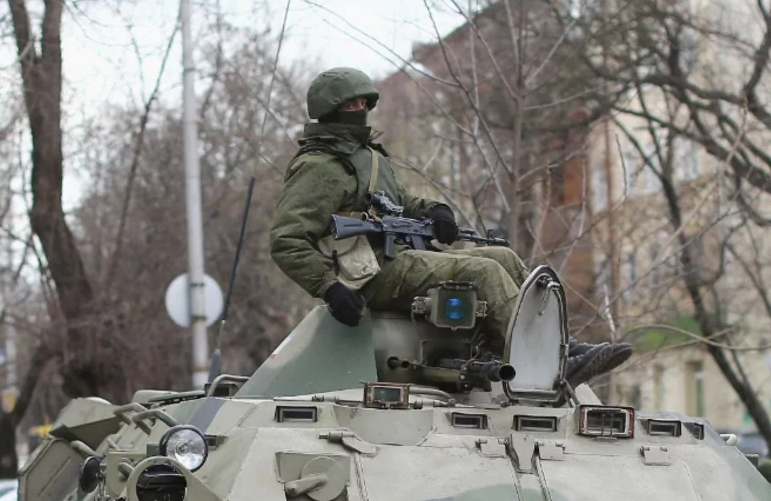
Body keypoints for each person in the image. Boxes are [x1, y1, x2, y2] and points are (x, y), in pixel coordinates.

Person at [269, 66, 632, 385]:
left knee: (501, 257)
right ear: (330, 109)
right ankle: (546, 362)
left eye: (364, 104)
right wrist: (330, 289)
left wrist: (435, 212)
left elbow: (401, 204)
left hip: (397, 259)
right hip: (368, 275)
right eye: (351, 105)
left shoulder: (368, 158)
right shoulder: (318, 166)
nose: (360, 111)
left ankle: (563, 347)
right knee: (481, 272)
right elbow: (287, 240)